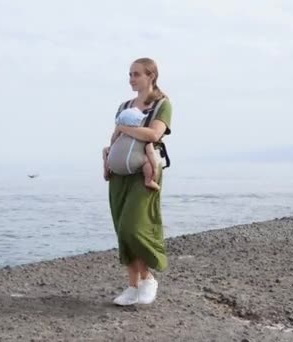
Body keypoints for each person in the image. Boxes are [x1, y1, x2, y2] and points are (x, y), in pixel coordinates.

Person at [102, 57, 172, 306]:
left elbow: (154, 134)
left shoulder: (162, 104)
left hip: (146, 170)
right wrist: (108, 160)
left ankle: (149, 279)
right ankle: (133, 285)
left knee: (134, 226)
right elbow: (114, 137)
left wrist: (125, 129)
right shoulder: (124, 105)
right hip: (119, 172)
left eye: (136, 74)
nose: (131, 79)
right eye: (129, 74)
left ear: (150, 76)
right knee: (122, 229)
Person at [113, 107, 162, 191]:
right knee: (147, 160)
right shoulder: (142, 137)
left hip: (114, 166)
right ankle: (148, 181)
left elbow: (112, 140)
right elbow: (150, 153)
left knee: (107, 152)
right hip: (129, 165)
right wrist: (155, 168)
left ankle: (106, 173)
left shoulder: (120, 137)